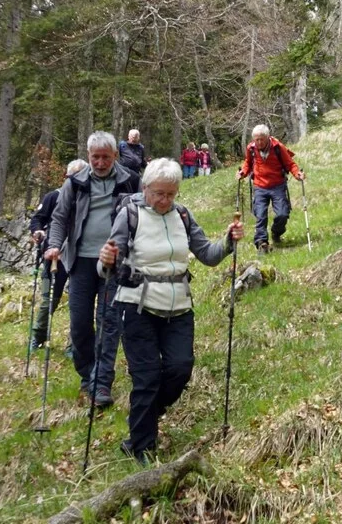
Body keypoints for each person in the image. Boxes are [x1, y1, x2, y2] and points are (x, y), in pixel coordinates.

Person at [98, 158, 244, 464]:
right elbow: (107, 264)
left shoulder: (182, 216)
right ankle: (141, 449)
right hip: (136, 304)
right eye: (159, 194)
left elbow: (207, 254)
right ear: (146, 189)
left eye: (171, 194)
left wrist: (228, 242)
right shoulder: (130, 214)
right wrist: (106, 260)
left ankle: (148, 414)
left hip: (178, 306)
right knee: (147, 377)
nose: (165, 200)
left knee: (181, 368)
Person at [45, 132, 141, 407]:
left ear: (115, 156)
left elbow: (140, 215)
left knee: (110, 323)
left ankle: (101, 384)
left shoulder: (130, 181)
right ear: (88, 157)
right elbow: (59, 218)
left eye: (105, 157)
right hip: (80, 263)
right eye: (95, 157)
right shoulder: (74, 183)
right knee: (79, 325)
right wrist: (54, 245)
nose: (100, 163)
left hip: (114, 261)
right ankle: (87, 373)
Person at [28, 158, 88, 351]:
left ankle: (74, 345)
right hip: (54, 258)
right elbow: (37, 219)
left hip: (80, 257)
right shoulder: (53, 197)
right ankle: (38, 336)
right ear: (66, 177)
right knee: (49, 297)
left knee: (78, 302)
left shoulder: (90, 200)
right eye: (73, 177)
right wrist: (38, 232)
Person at [237, 124, 305, 255]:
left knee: (282, 215)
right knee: (260, 215)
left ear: (268, 137)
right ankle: (262, 243)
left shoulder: (278, 147)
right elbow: (247, 163)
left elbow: (290, 163)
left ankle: (276, 232)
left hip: (278, 185)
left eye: (261, 139)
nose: (259, 142)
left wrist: (297, 174)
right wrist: (243, 173)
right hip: (260, 186)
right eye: (256, 139)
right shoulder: (251, 148)